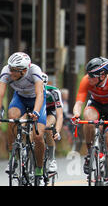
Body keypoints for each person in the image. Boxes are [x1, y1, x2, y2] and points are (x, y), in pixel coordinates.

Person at [72, 57, 108, 186]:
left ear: (103, 75)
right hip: (95, 105)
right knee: (89, 118)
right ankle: (90, 153)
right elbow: (79, 103)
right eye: (88, 74)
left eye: (92, 75)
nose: (88, 78)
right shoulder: (86, 80)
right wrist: (76, 114)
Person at [0, 52, 47, 185]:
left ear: (24, 70)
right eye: (10, 69)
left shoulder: (34, 71)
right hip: (20, 98)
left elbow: (39, 94)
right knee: (12, 117)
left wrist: (36, 112)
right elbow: (1, 93)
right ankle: (12, 158)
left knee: (38, 136)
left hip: (36, 101)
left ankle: (39, 171)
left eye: (15, 71)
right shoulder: (6, 71)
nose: (11, 73)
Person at [42, 73, 64, 173]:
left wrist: (57, 131)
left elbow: (59, 115)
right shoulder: (29, 91)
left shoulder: (53, 91)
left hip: (50, 111)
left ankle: (51, 159)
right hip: (37, 111)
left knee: (47, 128)